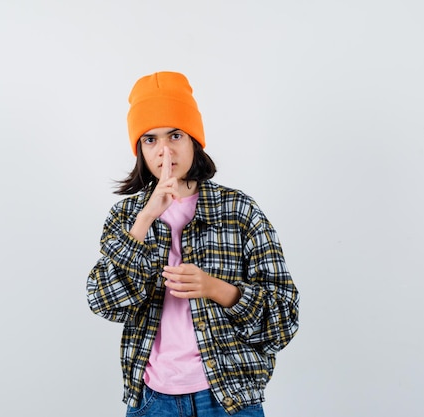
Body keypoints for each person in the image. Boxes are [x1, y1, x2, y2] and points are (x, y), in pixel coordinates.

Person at [86, 71, 300, 416]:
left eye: (175, 135)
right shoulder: (126, 217)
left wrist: (217, 289)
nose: (165, 151)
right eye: (150, 140)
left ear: (193, 140)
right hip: (153, 400)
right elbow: (104, 303)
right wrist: (145, 219)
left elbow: (283, 320)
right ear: (140, 149)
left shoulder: (238, 210)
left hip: (229, 398)